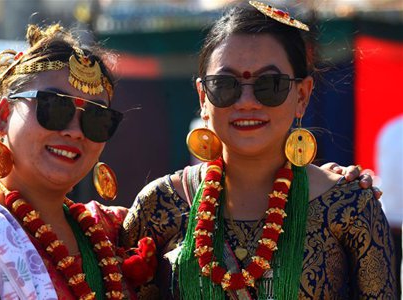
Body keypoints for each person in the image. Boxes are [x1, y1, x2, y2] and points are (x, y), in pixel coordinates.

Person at [121, 1, 396, 299]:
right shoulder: (159, 205)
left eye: (270, 84)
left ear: (302, 94)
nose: (247, 101)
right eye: (225, 85)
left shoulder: (349, 207)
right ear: (203, 97)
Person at [0, 23, 156, 299]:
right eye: (54, 106)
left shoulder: (113, 230)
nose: (74, 130)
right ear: (3, 115)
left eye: (96, 119)